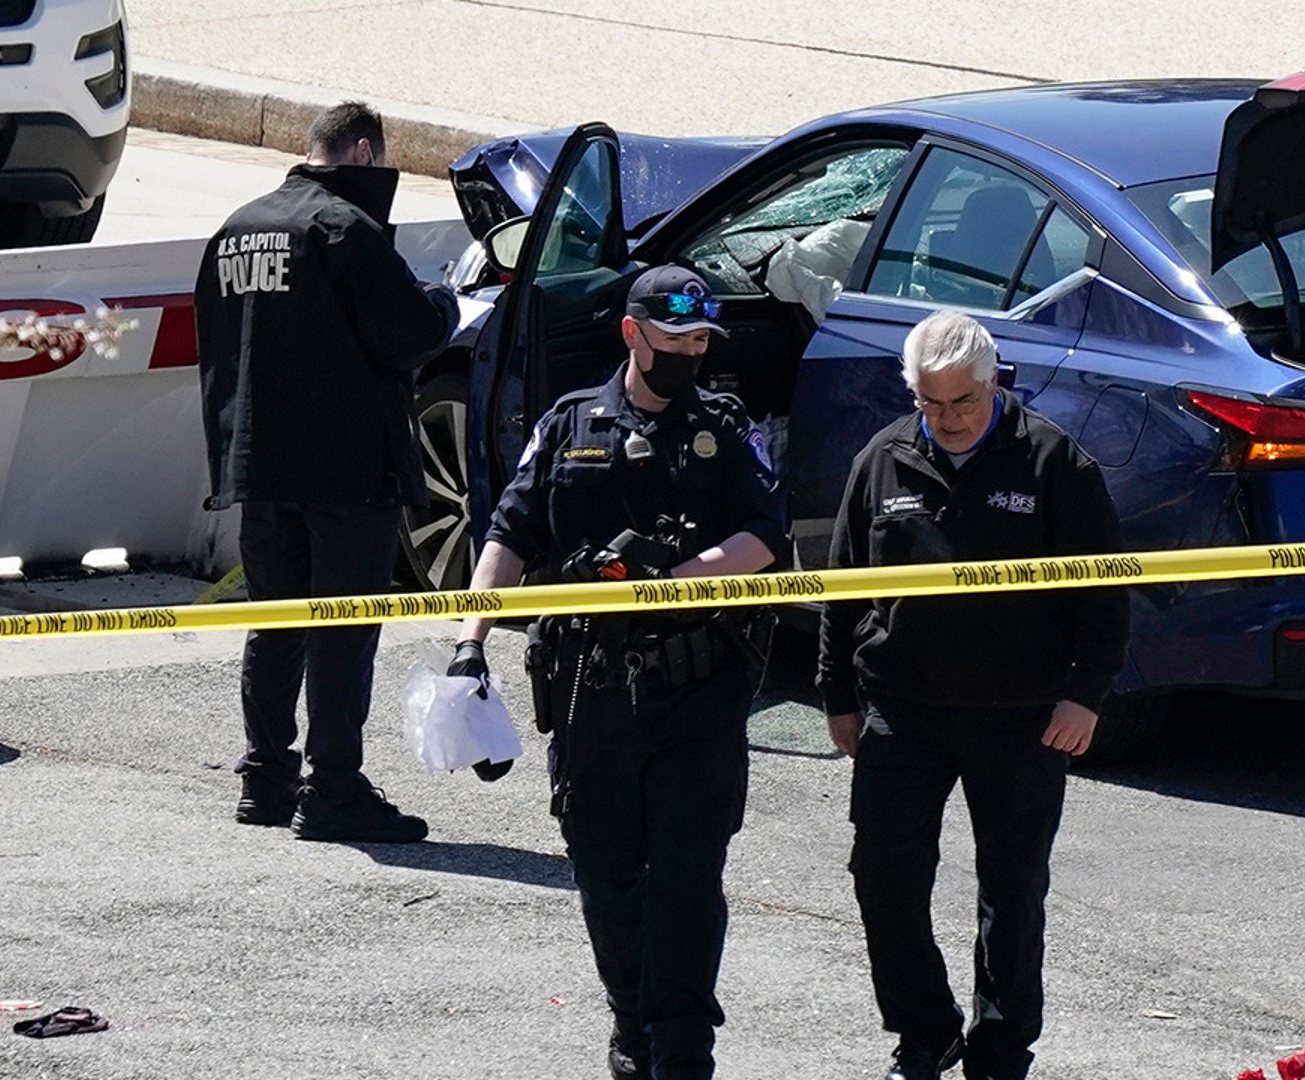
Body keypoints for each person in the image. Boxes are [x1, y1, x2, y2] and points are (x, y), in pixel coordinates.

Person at [448, 265, 785, 1080]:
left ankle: (680, 1046)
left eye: (702, 341)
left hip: (696, 690)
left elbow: (766, 534)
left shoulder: (726, 424)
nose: (692, 355)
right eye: (676, 341)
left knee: (686, 878)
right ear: (633, 335)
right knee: (604, 874)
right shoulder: (570, 425)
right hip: (590, 691)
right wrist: (471, 638)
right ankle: (632, 1026)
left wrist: (679, 577)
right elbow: (509, 532)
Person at [818, 310, 1131, 1080]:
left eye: (962, 401)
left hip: (1022, 716)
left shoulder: (1056, 463)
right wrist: (837, 697)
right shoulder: (882, 459)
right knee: (883, 879)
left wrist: (1085, 696)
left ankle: (1001, 1048)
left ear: (994, 383)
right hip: (902, 708)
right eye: (931, 403)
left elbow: (1106, 595)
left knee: (1012, 892)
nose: (948, 419)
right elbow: (840, 589)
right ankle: (924, 1032)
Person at [195, 101, 458, 843]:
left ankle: (266, 780)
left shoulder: (237, 228)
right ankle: (334, 787)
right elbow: (407, 334)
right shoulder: (347, 228)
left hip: (260, 463)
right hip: (346, 467)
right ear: (366, 151)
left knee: (275, 624)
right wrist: (445, 300)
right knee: (342, 630)